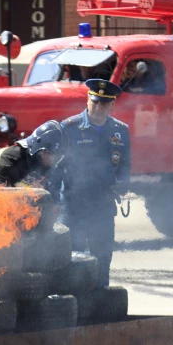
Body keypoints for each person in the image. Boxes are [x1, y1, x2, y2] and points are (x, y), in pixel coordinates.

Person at [56, 78, 131, 287]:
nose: (98, 108)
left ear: (112, 105)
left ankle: (101, 300)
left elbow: (124, 164)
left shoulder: (120, 130)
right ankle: (71, 302)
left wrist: (123, 181)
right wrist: (53, 200)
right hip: (73, 205)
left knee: (103, 256)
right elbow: (56, 168)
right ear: (88, 100)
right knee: (70, 257)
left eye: (104, 103)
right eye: (95, 102)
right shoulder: (69, 128)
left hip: (103, 204)